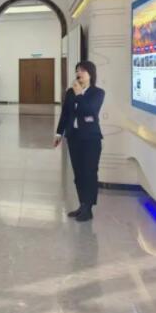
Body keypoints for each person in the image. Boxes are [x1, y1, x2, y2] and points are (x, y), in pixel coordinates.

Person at [54, 61, 105, 222]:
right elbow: (65, 114)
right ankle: (82, 205)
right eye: (77, 70)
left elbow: (90, 111)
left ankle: (88, 208)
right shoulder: (70, 92)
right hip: (74, 137)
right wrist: (59, 133)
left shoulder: (98, 93)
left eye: (82, 70)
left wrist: (79, 95)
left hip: (91, 139)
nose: (79, 73)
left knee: (89, 173)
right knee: (78, 174)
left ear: (91, 73)